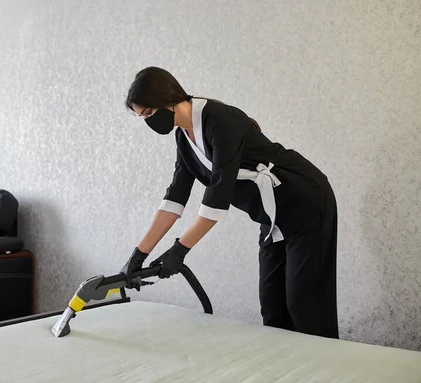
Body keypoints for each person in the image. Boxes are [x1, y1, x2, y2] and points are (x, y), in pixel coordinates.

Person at [120, 66, 339, 339]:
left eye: (149, 114)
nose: (149, 122)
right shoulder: (183, 138)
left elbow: (217, 199)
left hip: (306, 204)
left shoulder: (220, 119)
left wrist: (179, 250)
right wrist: (138, 255)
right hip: (272, 219)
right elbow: (175, 197)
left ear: (167, 99)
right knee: (273, 309)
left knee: (306, 308)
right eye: (143, 117)